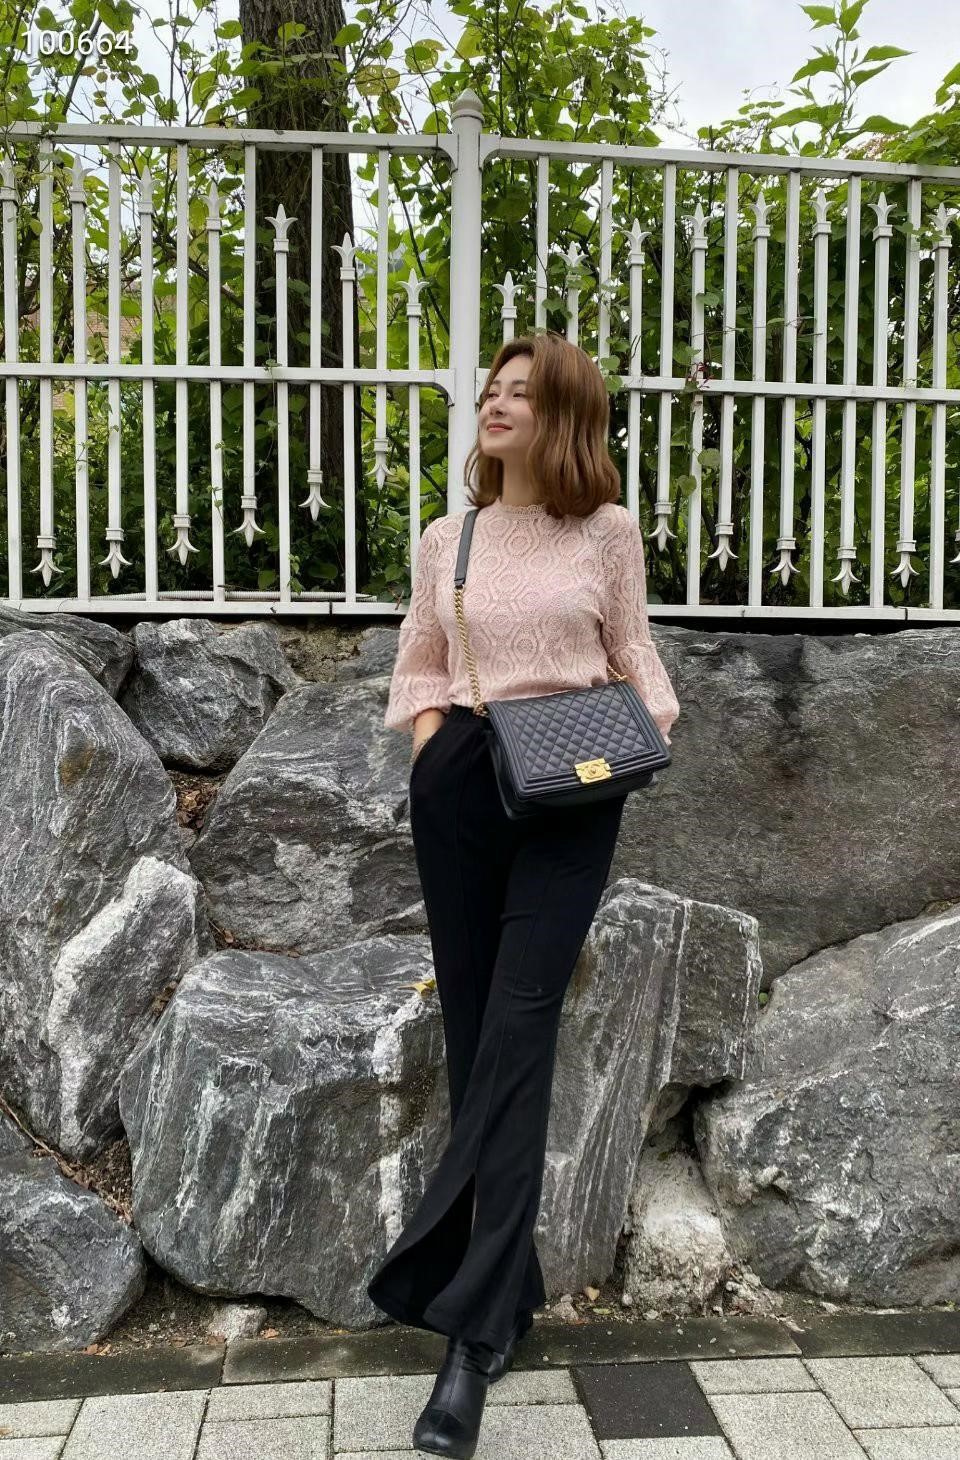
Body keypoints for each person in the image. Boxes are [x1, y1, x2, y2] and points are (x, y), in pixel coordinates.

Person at [367, 329, 680, 1459]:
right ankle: (510, 1285)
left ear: (566, 417)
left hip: (573, 790)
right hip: (464, 782)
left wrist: (638, 739)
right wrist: (434, 743)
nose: (495, 405)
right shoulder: (446, 538)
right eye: (491, 391)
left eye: (523, 394)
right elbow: (418, 660)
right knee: (472, 1029)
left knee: (518, 1027)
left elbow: (638, 660)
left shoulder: (606, 532)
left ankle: (469, 1333)